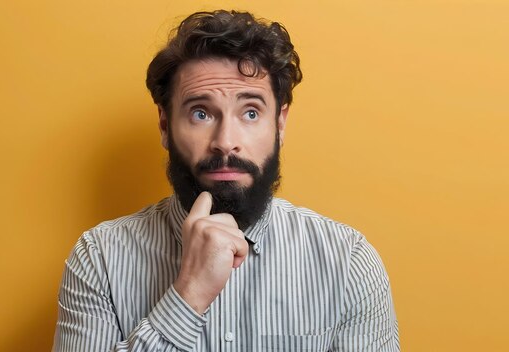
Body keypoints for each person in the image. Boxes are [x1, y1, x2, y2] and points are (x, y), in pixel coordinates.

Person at [53, 10, 399, 352]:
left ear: (279, 124)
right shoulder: (99, 260)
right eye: (200, 113)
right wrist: (189, 295)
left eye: (250, 112)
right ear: (164, 126)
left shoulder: (347, 262)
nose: (225, 140)